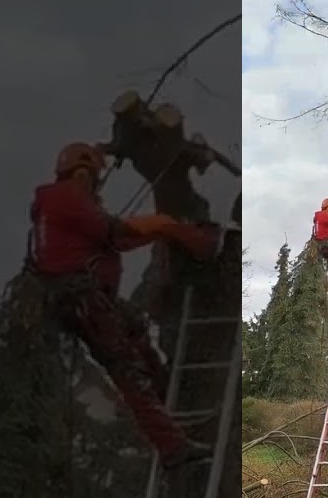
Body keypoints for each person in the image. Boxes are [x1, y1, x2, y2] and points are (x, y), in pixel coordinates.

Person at [26, 141, 221, 470]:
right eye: (92, 176)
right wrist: (165, 226)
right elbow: (115, 233)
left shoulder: (57, 205)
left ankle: (169, 395)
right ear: (81, 170)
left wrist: (163, 230)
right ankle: (172, 446)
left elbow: (117, 238)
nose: (95, 186)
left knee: (135, 332)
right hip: (84, 299)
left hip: (88, 299)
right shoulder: (67, 197)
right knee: (127, 368)